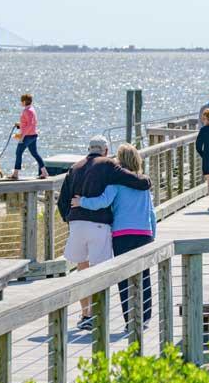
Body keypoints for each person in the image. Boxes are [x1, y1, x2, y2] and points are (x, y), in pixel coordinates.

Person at [57, 135, 152, 331]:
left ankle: (87, 314)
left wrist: (70, 216)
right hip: (107, 227)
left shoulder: (74, 167)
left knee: (83, 268)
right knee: (104, 271)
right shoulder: (109, 166)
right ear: (106, 151)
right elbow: (136, 182)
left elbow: (62, 200)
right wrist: (146, 180)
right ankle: (126, 316)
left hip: (79, 225)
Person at [9, 94, 50, 180]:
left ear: (24, 101)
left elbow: (30, 125)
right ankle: (44, 172)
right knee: (35, 153)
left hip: (27, 136)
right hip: (33, 135)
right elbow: (28, 124)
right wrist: (19, 125)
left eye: (21, 101)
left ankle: (16, 173)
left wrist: (22, 136)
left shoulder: (27, 111)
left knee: (18, 153)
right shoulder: (32, 110)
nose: (21, 103)